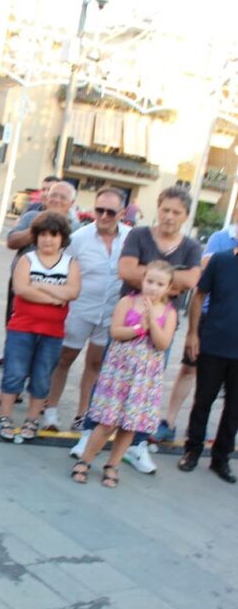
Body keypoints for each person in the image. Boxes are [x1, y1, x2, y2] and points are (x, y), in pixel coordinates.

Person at [71, 186, 202, 471]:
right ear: (158, 208)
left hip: (160, 329)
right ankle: (90, 434)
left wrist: (150, 273)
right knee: (109, 384)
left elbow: (192, 280)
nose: (169, 216)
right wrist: (169, 280)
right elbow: (126, 271)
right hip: (127, 322)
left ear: (186, 216)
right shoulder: (139, 235)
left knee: (145, 391)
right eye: (165, 209)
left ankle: (136, 445)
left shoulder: (191, 246)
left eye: (176, 212)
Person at [71, 260, 177, 488]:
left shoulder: (168, 312)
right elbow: (116, 332)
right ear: (142, 280)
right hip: (120, 372)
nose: (153, 287)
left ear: (168, 288)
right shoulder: (127, 301)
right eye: (150, 281)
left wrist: (152, 323)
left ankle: (113, 464)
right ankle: (85, 460)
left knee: (130, 424)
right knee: (107, 422)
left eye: (160, 284)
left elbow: (163, 343)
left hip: (145, 376)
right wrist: (140, 327)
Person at [43, 187, 128, 432]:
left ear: (121, 213)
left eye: (109, 212)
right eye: (98, 210)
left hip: (110, 313)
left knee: (95, 364)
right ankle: (50, 410)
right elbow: (60, 270)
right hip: (79, 309)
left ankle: (83, 414)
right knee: (64, 359)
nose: (102, 216)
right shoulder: (79, 238)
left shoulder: (130, 238)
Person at [155, 204, 238, 444]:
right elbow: (203, 277)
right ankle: (170, 421)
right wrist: (193, 331)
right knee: (190, 370)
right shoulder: (220, 239)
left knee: (229, 392)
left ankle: (218, 440)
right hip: (209, 319)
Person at [0, 211, 80, 442]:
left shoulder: (70, 264)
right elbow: (22, 289)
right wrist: (55, 297)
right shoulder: (27, 260)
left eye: (53, 234)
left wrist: (40, 284)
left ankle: (32, 420)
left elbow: (73, 292)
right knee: (14, 373)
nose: (48, 239)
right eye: (42, 234)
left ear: (62, 237)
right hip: (22, 328)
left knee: (42, 377)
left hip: (52, 333)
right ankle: (4, 417)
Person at [0, 180, 80, 391]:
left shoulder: (76, 228)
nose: (56, 200)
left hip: (56, 294)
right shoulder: (31, 217)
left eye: (63, 197)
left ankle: (37, 389)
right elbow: (11, 242)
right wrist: (39, 228)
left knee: (46, 347)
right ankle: (12, 388)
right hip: (22, 289)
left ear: (71, 203)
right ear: (46, 197)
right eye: (53, 195)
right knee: (17, 339)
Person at [177, 245, 238, 483]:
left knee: (234, 410)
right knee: (203, 401)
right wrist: (192, 334)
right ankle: (192, 450)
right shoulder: (220, 261)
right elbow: (199, 295)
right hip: (213, 344)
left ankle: (220, 458)